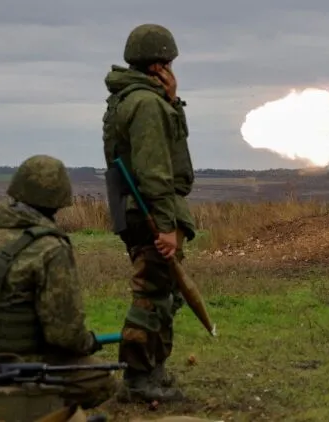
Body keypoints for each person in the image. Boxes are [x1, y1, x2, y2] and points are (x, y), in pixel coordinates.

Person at [0, 154, 117, 409]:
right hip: (14, 364)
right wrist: (88, 343)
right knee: (102, 379)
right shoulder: (50, 248)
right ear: (60, 200)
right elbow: (65, 335)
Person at [101, 22, 197, 404]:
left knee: (164, 293)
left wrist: (173, 103)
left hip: (145, 212)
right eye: (169, 63)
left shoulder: (138, 99)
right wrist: (167, 226)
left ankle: (154, 370)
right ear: (158, 66)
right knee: (152, 295)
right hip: (150, 214)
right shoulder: (144, 104)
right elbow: (154, 170)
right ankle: (140, 379)